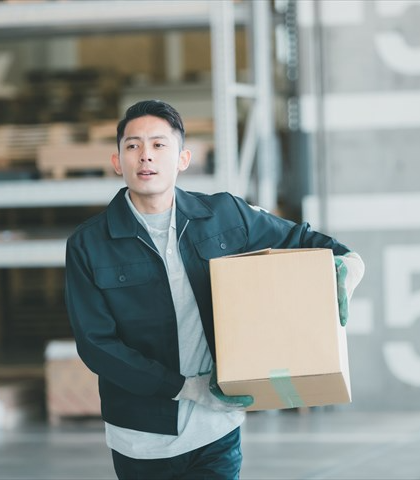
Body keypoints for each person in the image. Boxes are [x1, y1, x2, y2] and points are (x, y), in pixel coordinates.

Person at [65, 99, 364, 479]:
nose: (145, 157)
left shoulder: (223, 216)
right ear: (116, 161)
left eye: (159, 145)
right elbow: (97, 345)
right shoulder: (89, 244)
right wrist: (186, 388)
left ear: (183, 159)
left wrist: (351, 264)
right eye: (133, 146)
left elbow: (302, 239)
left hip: (216, 429)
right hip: (139, 435)